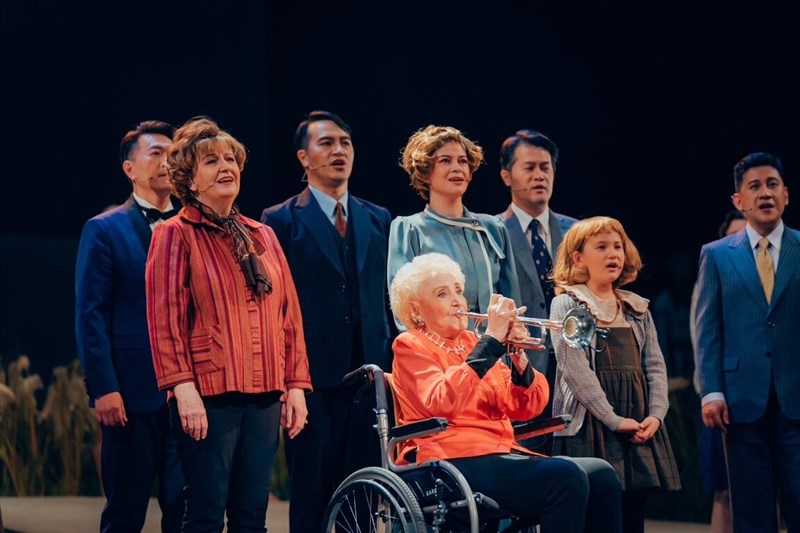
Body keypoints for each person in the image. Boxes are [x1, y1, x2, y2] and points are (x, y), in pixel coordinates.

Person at [147, 116, 311, 532]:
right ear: (188, 177)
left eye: (230, 159)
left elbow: (288, 316)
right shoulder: (175, 234)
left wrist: (295, 386)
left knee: (252, 515)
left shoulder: (262, 235)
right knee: (204, 512)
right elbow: (164, 321)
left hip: (265, 391)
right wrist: (181, 388)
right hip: (208, 392)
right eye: (211, 161)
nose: (226, 167)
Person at [389, 252, 622, 532]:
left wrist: (519, 360)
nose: (457, 301)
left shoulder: (473, 343)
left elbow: (526, 408)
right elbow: (441, 402)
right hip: (447, 461)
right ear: (416, 310)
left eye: (459, 291)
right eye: (442, 294)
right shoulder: (410, 345)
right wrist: (489, 344)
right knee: (565, 477)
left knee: (602, 474)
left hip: (499, 452)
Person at [261, 110, 394, 532]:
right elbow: (275, 304)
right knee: (312, 494)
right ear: (303, 157)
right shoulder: (279, 220)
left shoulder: (378, 218)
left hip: (369, 380)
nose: (339, 150)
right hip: (312, 380)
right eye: (327, 143)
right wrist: (287, 380)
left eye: (345, 143)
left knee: (368, 492)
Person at [75, 120, 184, 532]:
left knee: (187, 512)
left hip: (187, 395)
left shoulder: (195, 228)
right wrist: (104, 387)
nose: (166, 161)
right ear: (129, 168)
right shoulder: (104, 229)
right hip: (130, 392)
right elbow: (91, 315)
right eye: (155, 153)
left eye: (172, 154)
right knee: (125, 512)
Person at [549, 216, 681, 533]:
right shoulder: (568, 303)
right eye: (602, 247)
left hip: (637, 420)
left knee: (633, 511)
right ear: (578, 257)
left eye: (618, 247)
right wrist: (612, 419)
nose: (613, 254)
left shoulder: (636, 307)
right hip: (594, 423)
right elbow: (576, 370)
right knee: (598, 513)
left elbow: (655, 365)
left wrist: (657, 414)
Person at [696, 152, 800, 532]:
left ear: (786, 195)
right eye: (754, 186)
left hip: (797, 400)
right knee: (752, 513)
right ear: (739, 200)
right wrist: (711, 393)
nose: (765, 193)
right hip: (740, 404)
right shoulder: (717, 255)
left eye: (772, 185)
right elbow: (708, 330)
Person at [388, 124, 520, 330]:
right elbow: (405, 312)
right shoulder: (409, 229)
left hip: (496, 352)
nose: (457, 168)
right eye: (445, 161)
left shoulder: (492, 227)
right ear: (424, 171)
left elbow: (511, 301)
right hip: (441, 355)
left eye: (462, 161)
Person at [498, 129, 578, 453]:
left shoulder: (576, 230)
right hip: (521, 368)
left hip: (573, 365)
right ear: (506, 175)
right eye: (528, 167)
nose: (539, 175)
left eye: (546, 167)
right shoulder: (491, 231)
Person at [689, 209, 745, 533]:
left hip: (765, 394)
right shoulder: (712, 272)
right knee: (724, 489)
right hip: (722, 396)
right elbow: (704, 339)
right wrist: (711, 391)